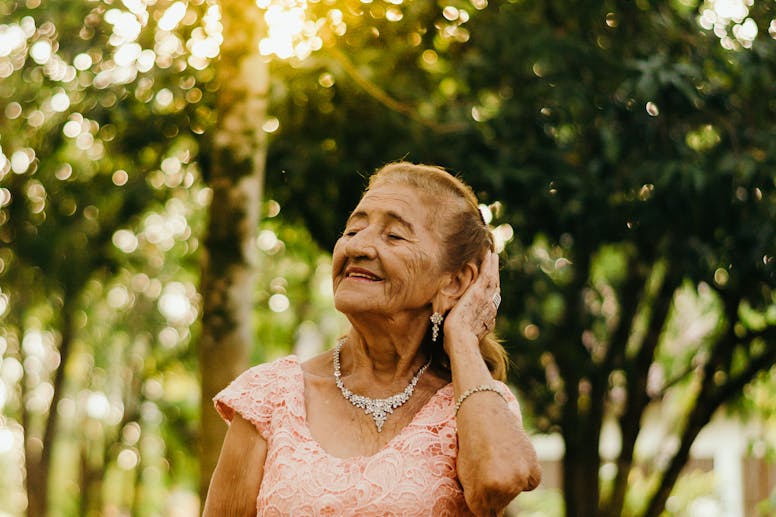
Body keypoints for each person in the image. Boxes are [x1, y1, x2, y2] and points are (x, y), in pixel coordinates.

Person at [203, 162, 541, 516]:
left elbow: (499, 481)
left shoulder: (474, 405)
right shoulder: (269, 397)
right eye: (352, 231)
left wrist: (463, 338)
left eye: (394, 236)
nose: (358, 246)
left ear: (454, 281)